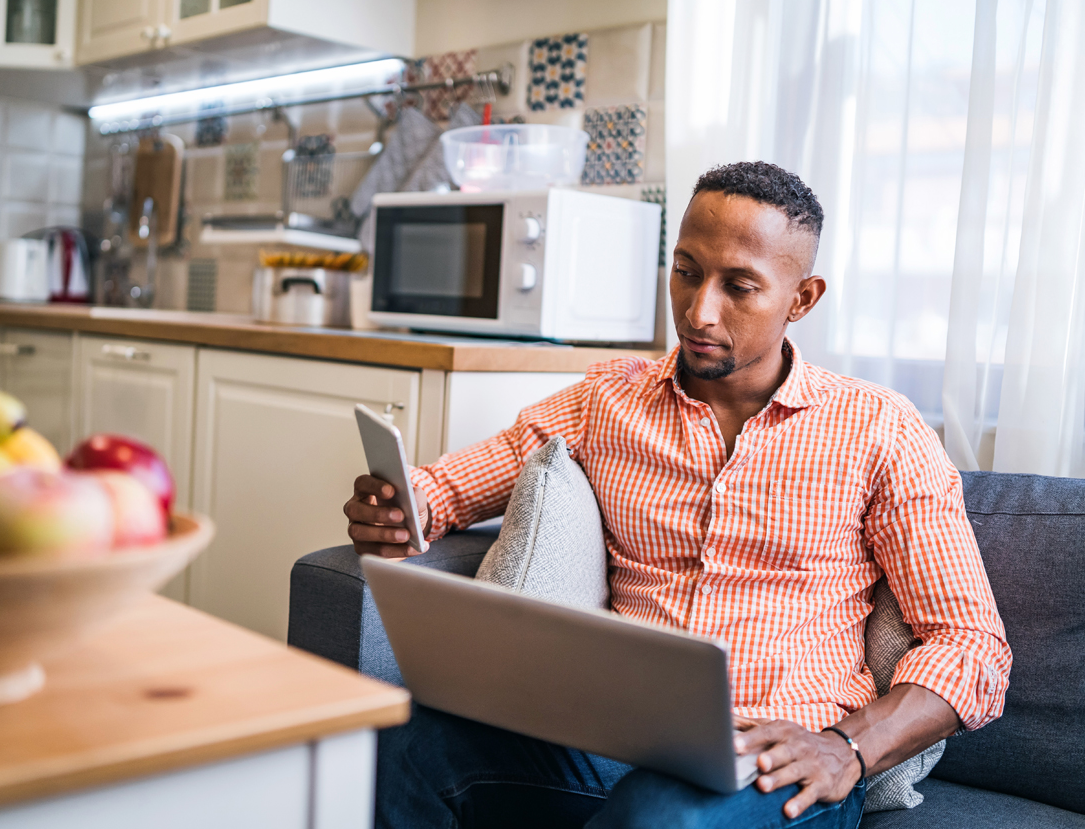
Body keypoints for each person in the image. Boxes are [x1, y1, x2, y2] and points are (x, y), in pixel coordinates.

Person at [344, 162, 1011, 829]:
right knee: (399, 746)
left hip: (778, 763)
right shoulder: (607, 399)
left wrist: (848, 748)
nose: (699, 311)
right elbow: (451, 485)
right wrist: (404, 508)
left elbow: (972, 645)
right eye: (687, 270)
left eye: (739, 287)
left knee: (657, 816)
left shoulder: (880, 429)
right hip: (608, 739)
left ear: (801, 299)